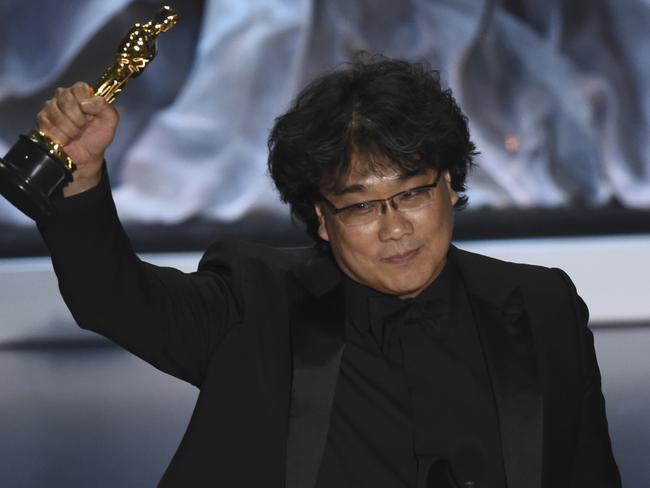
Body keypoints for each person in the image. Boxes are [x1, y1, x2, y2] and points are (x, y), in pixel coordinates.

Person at [35, 56, 620, 487]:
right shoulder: (255, 303)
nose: (396, 228)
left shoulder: (543, 306)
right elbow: (110, 298)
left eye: (413, 193)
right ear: (321, 217)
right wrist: (80, 176)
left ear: (449, 186)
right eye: (362, 205)